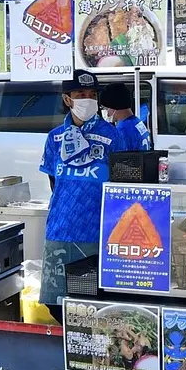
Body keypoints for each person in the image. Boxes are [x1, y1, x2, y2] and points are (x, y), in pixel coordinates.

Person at [39, 71, 122, 320]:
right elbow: (54, 181)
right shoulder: (54, 138)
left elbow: (122, 182)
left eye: (92, 95)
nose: (87, 99)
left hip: (94, 232)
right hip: (60, 230)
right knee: (56, 304)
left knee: (87, 306)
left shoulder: (112, 135)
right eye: (80, 95)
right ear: (67, 99)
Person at [98, 82, 152, 151]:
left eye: (104, 108)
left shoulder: (122, 131)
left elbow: (119, 159)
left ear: (113, 106)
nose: (104, 111)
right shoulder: (137, 123)